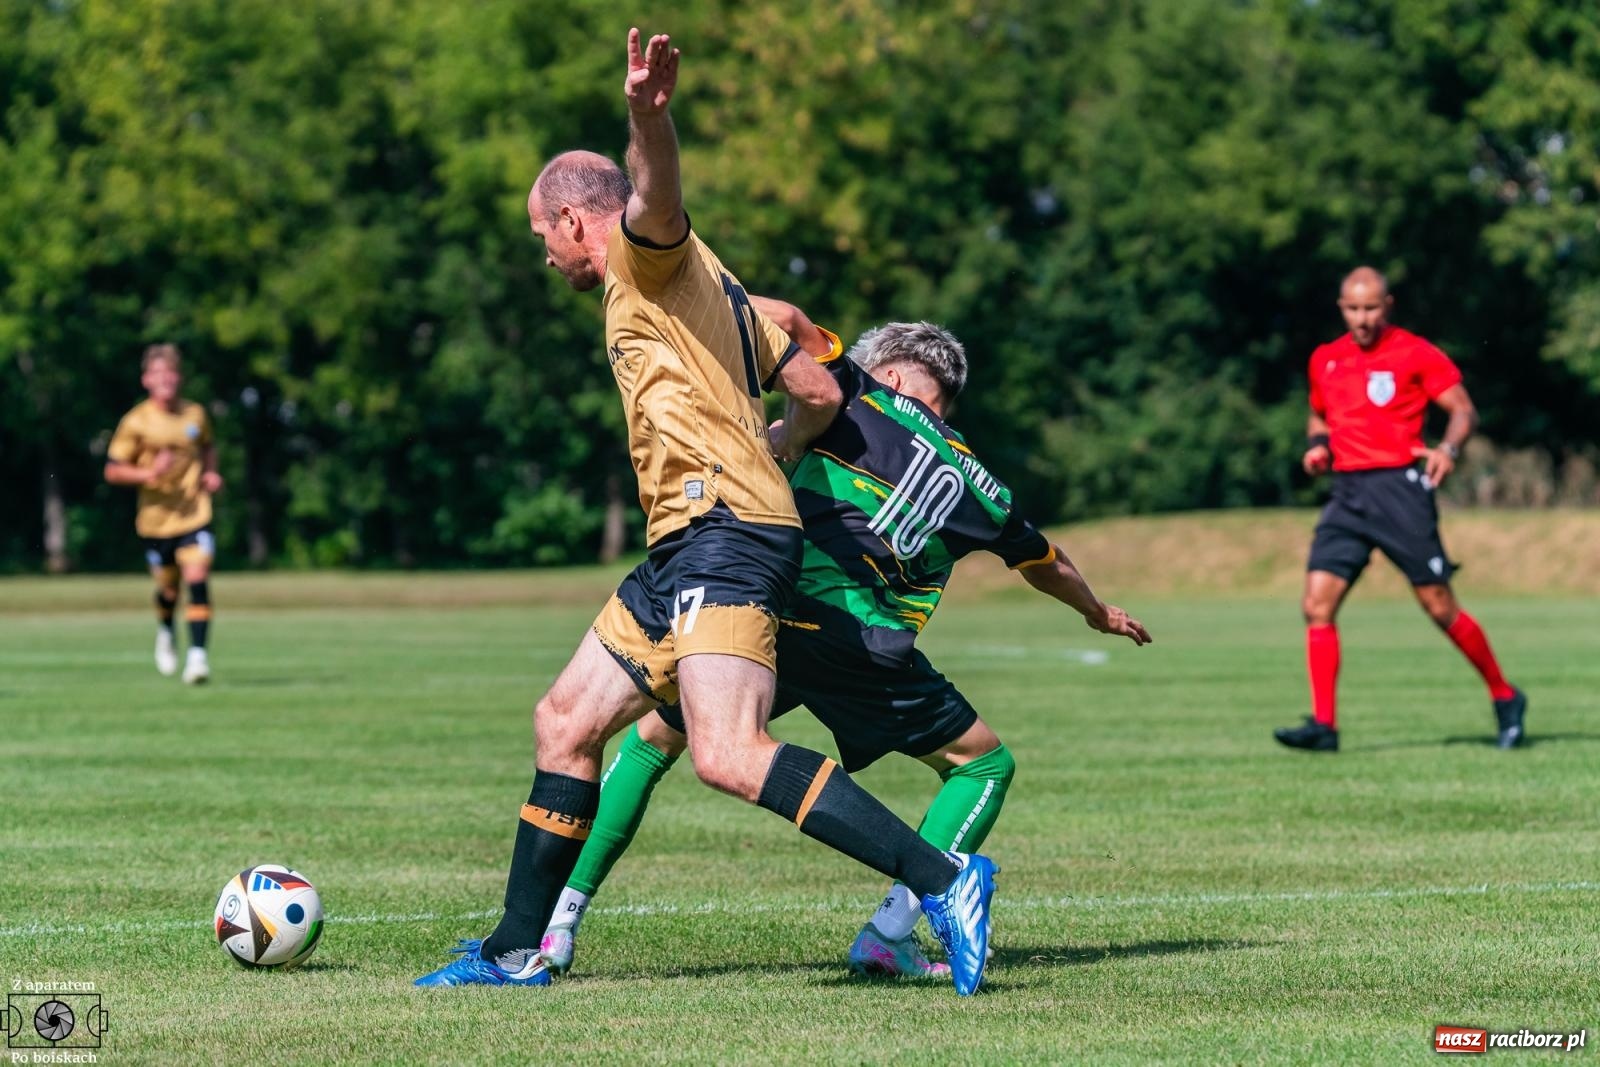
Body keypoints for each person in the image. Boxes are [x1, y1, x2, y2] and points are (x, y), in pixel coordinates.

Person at [415, 29, 997, 996]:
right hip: (686, 539)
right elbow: (814, 385)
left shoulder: (649, 260)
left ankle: (946, 879)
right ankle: (516, 952)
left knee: (728, 754)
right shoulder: (714, 299)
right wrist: (776, 447)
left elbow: (654, 194)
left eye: (540, 238)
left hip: (727, 536)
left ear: (571, 222)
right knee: (564, 721)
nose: (544, 257)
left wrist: (649, 116)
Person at [534, 299, 1151, 980]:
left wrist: (690, 291)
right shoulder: (979, 480)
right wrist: (1098, 611)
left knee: (653, 739)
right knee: (983, 766)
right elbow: (1046, 561)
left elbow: (793, 324)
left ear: (887, 366)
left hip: (766, 603)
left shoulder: (858, 389)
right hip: (858, 644)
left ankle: (556, 926)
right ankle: (892, 929)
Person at [1275, 267, 1526, 753]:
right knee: (1316, 606)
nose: (1362, 318)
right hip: (1347, 493)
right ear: (1341, 307)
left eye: (1371, 308)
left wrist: (1447, 452)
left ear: (1387, 306)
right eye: (1353, 308)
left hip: (1400, 490)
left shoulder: (1414, 353)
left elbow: (1463, 410)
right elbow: (1317, 413)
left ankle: (1505, 695)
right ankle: (1324, 727)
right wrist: (1317, 446)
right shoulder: (1326, 359)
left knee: (1438, 606)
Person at [104, 343, 222, 685]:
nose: (165, 379)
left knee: (197, 577)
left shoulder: (195, 415)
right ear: (146, 380)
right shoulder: (136, 422)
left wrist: (211, 473)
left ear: (179, 377)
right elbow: (112, 471)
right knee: (169, 590)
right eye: (158, 373)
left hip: (194, 513)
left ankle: (198, 658)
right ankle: (166, 630)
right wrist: (149, 474)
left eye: (170, 372)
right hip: (156, 521)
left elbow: (208, 446)